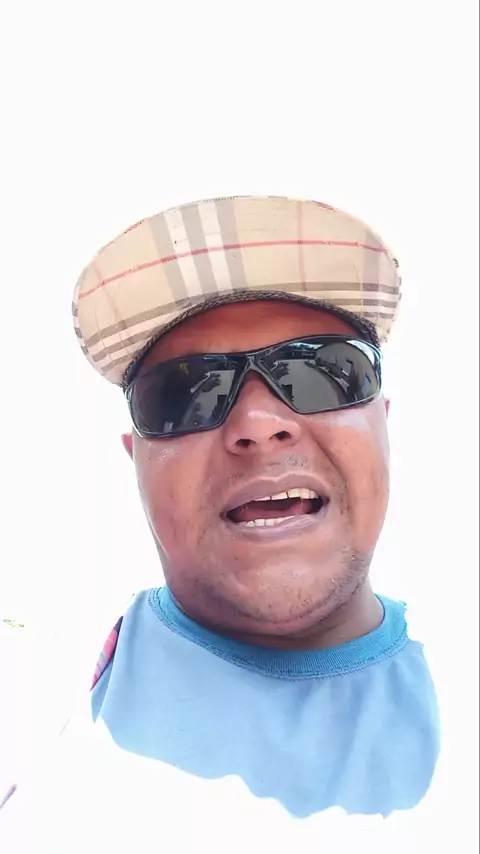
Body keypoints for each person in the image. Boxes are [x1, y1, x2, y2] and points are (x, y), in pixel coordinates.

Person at [1, 196, 440, 848]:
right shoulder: (33, 714)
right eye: (185, 393)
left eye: (321, 372)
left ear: (383, 424)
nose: (259, 424)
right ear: (135, 460)